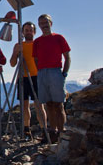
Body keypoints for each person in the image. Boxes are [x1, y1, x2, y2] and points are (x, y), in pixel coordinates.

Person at [33, 14, 71, 143]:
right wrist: (40, 71)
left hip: (55, 71)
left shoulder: (59, 38)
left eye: (46, 22)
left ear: (51, 23)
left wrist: (64, 74)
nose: (43, 25)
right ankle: (53, 131)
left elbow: (67, 57)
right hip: (42, 73)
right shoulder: (37, 42)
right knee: (48, 103)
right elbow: (36, 59)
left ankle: (61, 131)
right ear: (39, 25)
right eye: (41, 23)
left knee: (59, 104)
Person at [10, 22, 48, 142]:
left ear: (34, 32)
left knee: (39, 106)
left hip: (37, 77)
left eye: (30, 30)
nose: (28, 32)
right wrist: (16, 53)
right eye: (26, 30)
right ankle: (27, 131)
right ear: (22, 32)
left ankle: (44, 131)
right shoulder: (18, 45)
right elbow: (12, 63)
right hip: (23, 78)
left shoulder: (39, 43)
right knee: (24, 106)